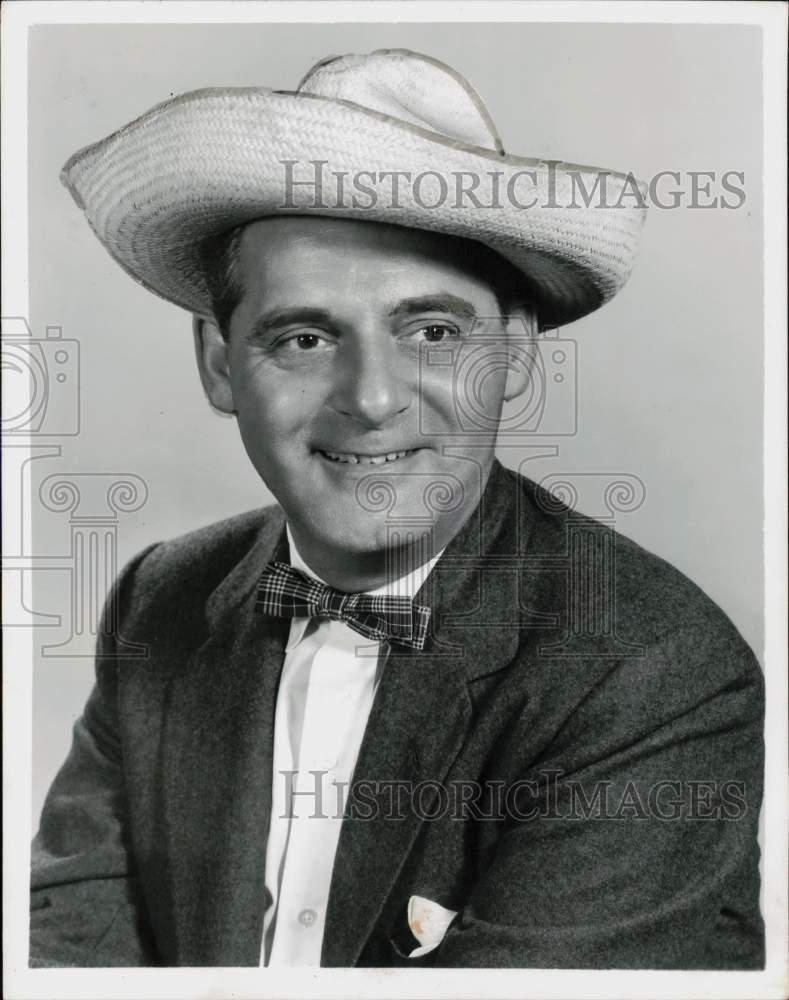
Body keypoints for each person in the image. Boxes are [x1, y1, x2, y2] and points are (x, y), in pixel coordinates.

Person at [30, 49, 764, 969]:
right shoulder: (160, 595)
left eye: (431, 331)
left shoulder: (651, 668)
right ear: (219, 364)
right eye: (303, 337)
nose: (371, 398)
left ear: (516, 352)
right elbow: (63, 950)